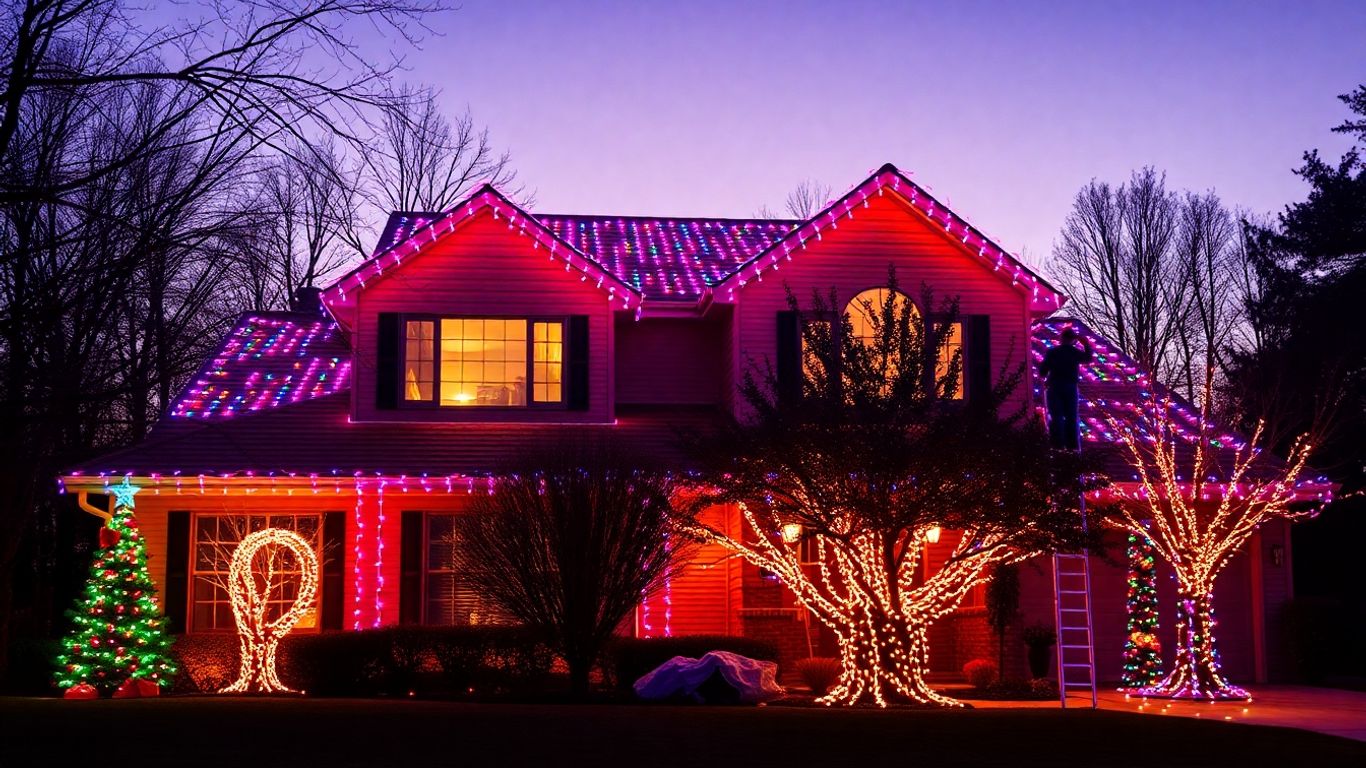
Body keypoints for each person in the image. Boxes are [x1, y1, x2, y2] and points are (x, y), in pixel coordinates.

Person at [1039, 326, 1093, 450]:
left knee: (1056, 416)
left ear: (1061, 338)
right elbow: (1088, 358)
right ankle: (1072, 446)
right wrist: (1086, 344)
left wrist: (1043, 376)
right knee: (1071, 416)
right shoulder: (1074, 352)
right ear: (1073, 339)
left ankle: (1057, 444)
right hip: (1070, 386)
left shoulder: (1052, 352)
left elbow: (1043, 369)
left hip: (1054, 386)